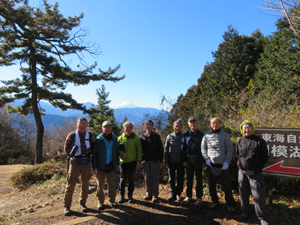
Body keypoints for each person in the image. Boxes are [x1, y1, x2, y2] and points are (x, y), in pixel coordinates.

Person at [236, 120, 269, 225]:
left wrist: (257, 167)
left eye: (249, 127)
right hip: (242, 172)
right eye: (244, 128)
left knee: (259, 195)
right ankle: (246, 212)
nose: (247, 130)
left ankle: (262, 216)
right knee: (243, 193)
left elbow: (265, 157)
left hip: (255, 173)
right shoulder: (239, 141)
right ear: (242, 129)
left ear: (253, 129)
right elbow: (238, 154)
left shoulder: (259, 141)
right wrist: (241, 166)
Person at [201, 117, 235, 211]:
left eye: (217, 123)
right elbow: (203, 149)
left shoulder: (225, 135)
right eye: (213, 123)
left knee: (227, 185)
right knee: (212, 184)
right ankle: (214, 201)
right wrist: (206, 159)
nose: (215, 125)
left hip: (223, 164)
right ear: (210, 125)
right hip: (211, 164)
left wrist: (227, 162)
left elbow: (229, 149)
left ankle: (229, 203)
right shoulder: (206, 135)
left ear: (220, 124)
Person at [63, 117, 94, 216]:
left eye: (84, 124)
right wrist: (73, 156)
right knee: (71, 183)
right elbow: (66, 149)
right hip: (75, 161)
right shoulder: (71, 135)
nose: (82, 126)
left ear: (86, 125)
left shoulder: (89, 135)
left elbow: (93, 147)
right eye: (80, 124)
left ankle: (83, 204)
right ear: (77, 125)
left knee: (85, 184)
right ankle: (67, 206)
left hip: (86, 161)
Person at [92, 121, 120, 210]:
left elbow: (116, 153)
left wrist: (117, 164)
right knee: (100, 186)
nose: (107, 129)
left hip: (111, 165)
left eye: (109, 127)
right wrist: (94, 166)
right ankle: (100, 202)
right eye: (105, 127)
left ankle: (112, 200)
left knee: (112, 185)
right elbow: (94, 153)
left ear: (111, 128)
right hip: (101, 166)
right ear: (102, 129)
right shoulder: (98, 139)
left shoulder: (115, 139)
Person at [181, 117, 205, 205]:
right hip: (188, 161)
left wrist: (203, 161)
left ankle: (199, 197)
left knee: (199, 179)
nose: (193, 124)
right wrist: (184, 160)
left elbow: (204, 149)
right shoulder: (185, 135)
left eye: (194, 122)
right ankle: (189, 196)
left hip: (198, 160)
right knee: (189, 179)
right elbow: (182, 149)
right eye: (191, 122)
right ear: (188, 124)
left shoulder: (202, 135)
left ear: (197, 123)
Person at [117, 121, 142, 203]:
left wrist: (138, 161)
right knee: (122, 180)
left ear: (132, 128)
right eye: (126, 127)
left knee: (131, 180)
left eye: (129, 127)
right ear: (123, 128)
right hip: (123, 163)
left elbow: (139, 150)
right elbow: (116, 149)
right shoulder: (120, 138)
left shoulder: (136, 138)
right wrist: (121, 153)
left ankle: (130, 196)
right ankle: (121, 196)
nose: (128, 129)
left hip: (132, 162)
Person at [139, 120, 164, 203]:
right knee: (147, 177)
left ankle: (155, 195)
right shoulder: (141, 136)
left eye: (150, 125)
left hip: (155, 160)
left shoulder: (156, 136)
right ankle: (148, 193)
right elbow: (140, 150)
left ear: (153, 126)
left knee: (154, 177)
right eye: (146, 125)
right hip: (145, 160)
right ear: (144, 125)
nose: (148, 126)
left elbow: (161, 149)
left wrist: (161, 160)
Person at [164, 119, 184, 201]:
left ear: (181, 127)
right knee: (171, 178)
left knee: (180, 178)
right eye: (176, 126)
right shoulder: (169, 136)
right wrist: (166, 160)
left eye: (179, 126)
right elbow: (166, 149)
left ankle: (178, 194)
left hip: (180, 161)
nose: (177, 127)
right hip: (171, 160)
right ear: (173, 127)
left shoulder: (184, 136)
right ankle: (172, 193)